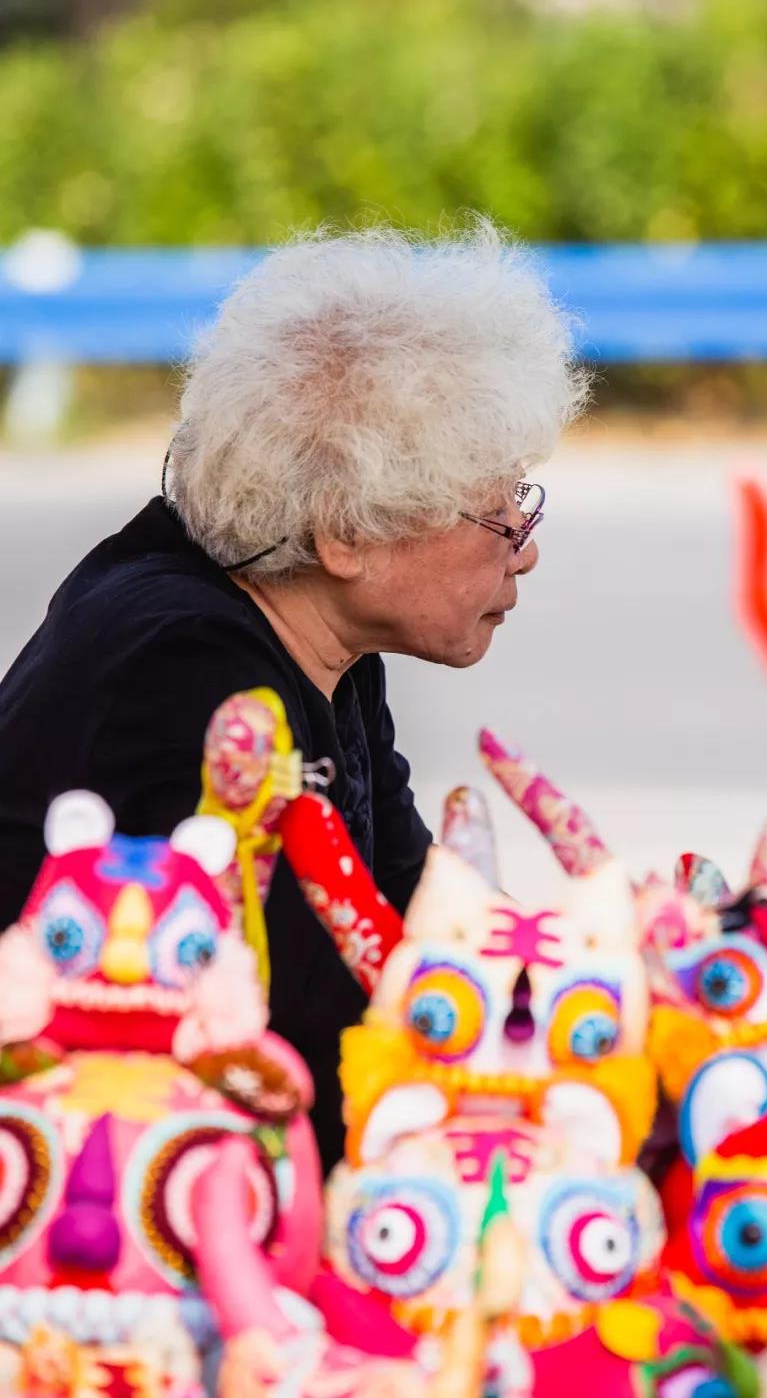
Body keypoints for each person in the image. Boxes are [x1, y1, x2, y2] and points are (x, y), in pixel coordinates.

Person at [0, 219, 587, 1165]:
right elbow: (323, 1044)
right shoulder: (190, 672)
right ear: (343, 535)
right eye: (498, 511)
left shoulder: (319, 636)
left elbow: (418, 918)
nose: (525, 546)